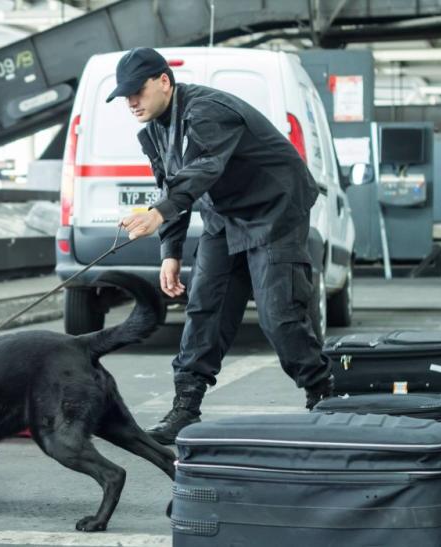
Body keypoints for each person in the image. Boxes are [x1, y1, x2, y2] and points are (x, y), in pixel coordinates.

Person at [107, 47, 334, 445]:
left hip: (274, 211)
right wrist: (170, 253)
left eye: (137, 91)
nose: (131, 102)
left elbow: (206, 166)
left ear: (164, 81)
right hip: (223, 218)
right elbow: (170, 185)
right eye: (124, 96)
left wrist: (157, 214)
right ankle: (186, 408)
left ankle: (324, 396)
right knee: (204, 310)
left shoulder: (207, 110)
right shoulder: (157, 129)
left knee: (279, 315)